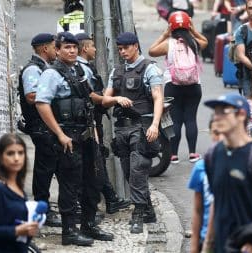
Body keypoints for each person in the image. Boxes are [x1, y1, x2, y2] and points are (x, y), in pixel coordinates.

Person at [35, 32, 113, 246]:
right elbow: (42, 104)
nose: (71, 51)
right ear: (57, 50)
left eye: (74, 47)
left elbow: (90, 98)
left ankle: (89, 224)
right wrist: (60, 135)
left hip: (86, 134)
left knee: (92, 180)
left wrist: (110, 100)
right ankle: (69, 231)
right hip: (67, 136)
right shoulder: (51, 74)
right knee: (70, 184)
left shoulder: (80, 70)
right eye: (66, 47)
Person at [202, 92, 252, 253]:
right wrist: (207, 245)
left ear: (241, 115)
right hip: (222, 246)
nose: (216, 117)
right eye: (215, 112)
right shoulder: (213, 155)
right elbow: (216, 201)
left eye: (223, 112)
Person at [102, 32, 164, 234]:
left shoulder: (149, 68)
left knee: (138, 171)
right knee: (129, 172)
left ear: (135, 46)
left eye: (126, 48)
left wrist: (155, 125)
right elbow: (105, 99)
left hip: (141, 126)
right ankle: (149, 210)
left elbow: (157, 97)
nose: (122, 52)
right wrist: (117, 99)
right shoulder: (116, 72)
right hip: (122, 128)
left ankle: (137, 214)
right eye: (119, 49)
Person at [75, 32, 131, 214]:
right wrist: (110, 100)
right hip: (87, 121)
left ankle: (110, 198)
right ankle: (100, 202)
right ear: (84, 48)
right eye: (92, 45)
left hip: (92, 119)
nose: (95, 49)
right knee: (94, 161)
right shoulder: (82, 68)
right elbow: (90, 95)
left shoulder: (83, 67)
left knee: (97, 158)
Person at [149, 11, 208, 164]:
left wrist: (164, 34)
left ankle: (173, 155)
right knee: (190, 119)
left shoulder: (169, 44)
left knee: (175, 120)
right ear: (188, 25)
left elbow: (151, 50)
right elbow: (206, 41)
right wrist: (193, 30)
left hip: (172, 85)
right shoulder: (194, 42)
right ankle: (193, 154)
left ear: (171, 27)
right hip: (194, 86)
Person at [18, 33, 62, 227]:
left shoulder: (44, 68)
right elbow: (31, 96)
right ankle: (42, 210)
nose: (57, 50)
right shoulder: (33, 70)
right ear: (45, 49)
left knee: (52, 165)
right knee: (44, 168)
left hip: (46, 125)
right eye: (54, 47)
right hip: (39, 126)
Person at [0, 134, 39, 252]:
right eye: (10, 153)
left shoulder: (21, 192)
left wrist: (29, 230)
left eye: (21, 153)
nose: (16, 158)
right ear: (1, 157)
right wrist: (16, 230)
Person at [187, 117, 221, 253]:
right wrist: (195, 247)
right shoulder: (202, 167)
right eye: (216, 132)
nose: (220, 137)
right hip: (207, 240)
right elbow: (197, 210)